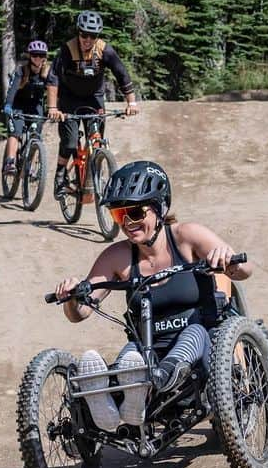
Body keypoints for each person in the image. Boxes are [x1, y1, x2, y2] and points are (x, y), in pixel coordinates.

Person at [52, 160, 253, 429]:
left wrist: (227, 260)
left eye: (134, 212)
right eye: (118, 215)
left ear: (160, 208)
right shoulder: (117, 256)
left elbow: (245, 269)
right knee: (131, 355)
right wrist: (74, 296)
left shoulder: (186, 236)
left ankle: (157, 379)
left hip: (203, 349)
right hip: (148, 349)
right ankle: (113, 403)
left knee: (194, 334)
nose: (127, 222)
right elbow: (81, 312)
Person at [46, 10, 139, 197]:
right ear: (78, 32)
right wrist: (53, 107)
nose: (87, 39)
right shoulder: (67, 49)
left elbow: (121, 74)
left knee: (96, 139)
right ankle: (60, 176)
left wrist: (132, 103)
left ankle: (92, 175)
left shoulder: (105, 50)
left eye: (93, 36)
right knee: (70, 141)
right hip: (69, 98)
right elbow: (53, 78)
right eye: (84, 35)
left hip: (94, 97)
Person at [1, 40, 50, 176]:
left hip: (36, 108)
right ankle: (10, 162)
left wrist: (56, 108)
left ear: (45, 57)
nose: (38, 58)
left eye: (41, 55)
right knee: (15, 131)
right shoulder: (22, 70)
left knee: (35, 136)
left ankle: (28, 166)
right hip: (18, 106)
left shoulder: (47, 72)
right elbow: (13, 89)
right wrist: (8, 105)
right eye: (35, 55)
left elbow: (55, 90)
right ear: (30, 56)